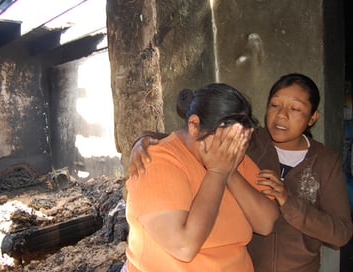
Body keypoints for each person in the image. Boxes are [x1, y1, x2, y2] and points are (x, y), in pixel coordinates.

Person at [129, 73, 353, 272]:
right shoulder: (250, 142)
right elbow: (186, 139)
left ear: (313, 117)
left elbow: (339, 232)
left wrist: (287, 201)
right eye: (274, 106)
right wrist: (142, 140)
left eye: (295, 109)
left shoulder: (324, 161)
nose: (281, 116)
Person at [124, 83, 279, 271]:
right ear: (194, 125)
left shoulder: (233, 156)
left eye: (239, 140)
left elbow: (265, 223)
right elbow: (184, 247)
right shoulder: (156, 161)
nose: (232, 148)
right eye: (225, 139)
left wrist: (230, 171)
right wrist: (217, 173)